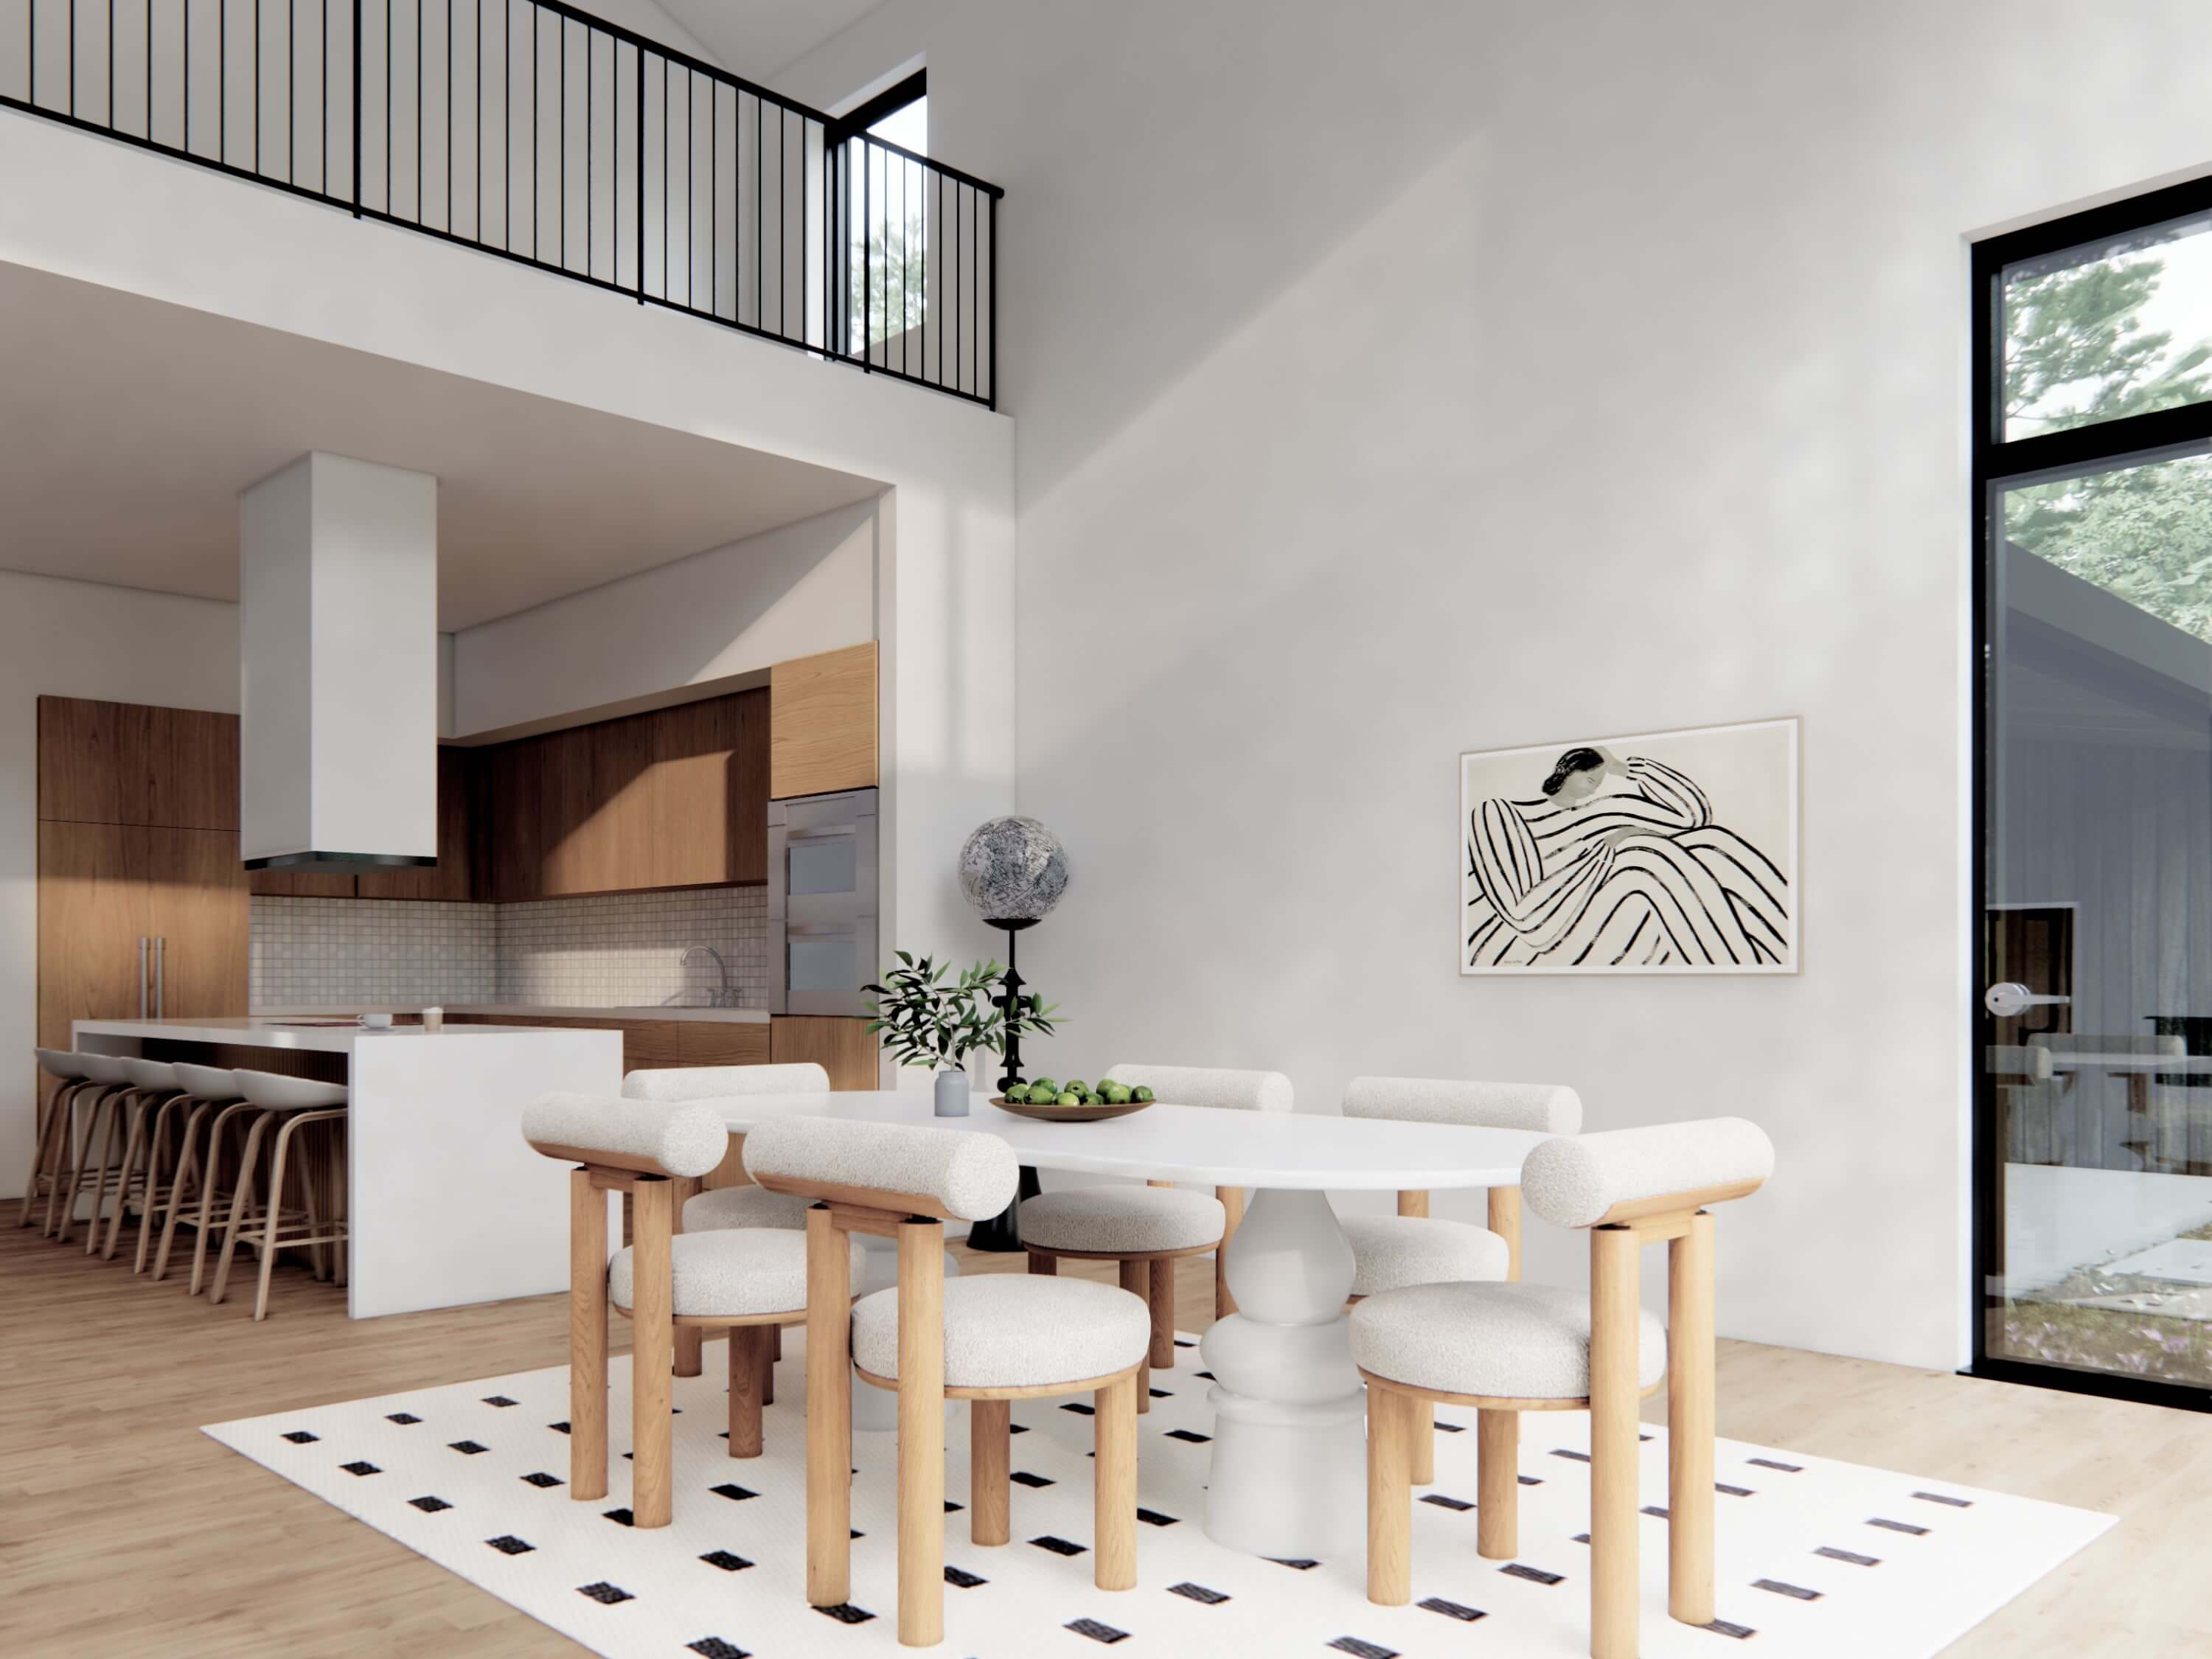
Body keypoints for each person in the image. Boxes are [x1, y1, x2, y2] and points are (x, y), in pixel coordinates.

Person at [1464, 744, 1788, 968]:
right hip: (1530, 945)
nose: (1595, 788)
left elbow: (1694, 817)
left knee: (1709, 842)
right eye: (1590, 778)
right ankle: (1736, 977)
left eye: (1599, 781)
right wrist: (1610, 851)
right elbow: (1528, 920)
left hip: (1610, 921)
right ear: (1567, 771)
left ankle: (1780, 956)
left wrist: (1623, 768)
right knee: (1643, 858)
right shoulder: (1499, 814)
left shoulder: (1602, 811)